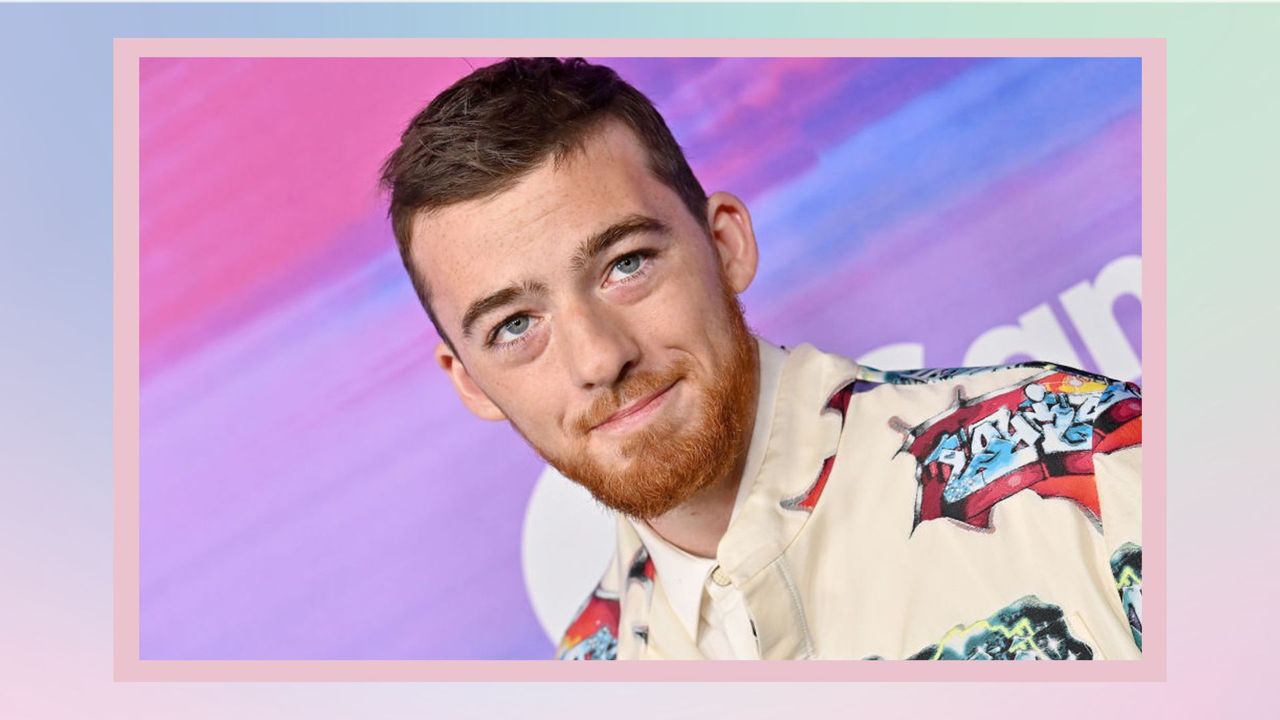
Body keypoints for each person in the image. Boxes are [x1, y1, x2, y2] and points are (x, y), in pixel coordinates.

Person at [379, 57, 1144, 660]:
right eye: (515, 326)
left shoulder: (1093, 457)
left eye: (626, 264)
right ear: (470, 383)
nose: (599, 358)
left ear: (726, 244)